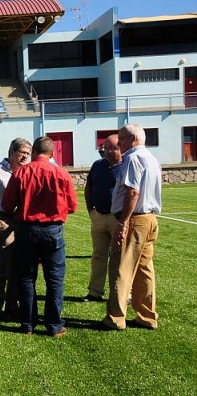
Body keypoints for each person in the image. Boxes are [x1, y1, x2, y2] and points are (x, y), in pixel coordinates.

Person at [2, 137, 77, 337]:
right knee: (54, 279)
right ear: (52, 153)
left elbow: (7, 205)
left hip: (27, 229)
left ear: (33, 151)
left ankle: (28, 323)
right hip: (53, 230)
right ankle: (54, 325)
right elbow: (72, 206)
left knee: (26, 278)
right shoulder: (61, 173)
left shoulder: (20, 173)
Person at [98, 124, 162, 331]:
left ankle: (116, 317)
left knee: (121, 269)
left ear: (133, 138)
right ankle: (147, 315)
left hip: (135, 219)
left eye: (122, 139)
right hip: (150, 218)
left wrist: (123, 222)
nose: (119, 143)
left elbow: (132, 192)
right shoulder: (151, 158)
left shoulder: (133, 158)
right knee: (145, 270)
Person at [0, 138, 31, 324]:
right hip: (3, 220)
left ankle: (13, 307)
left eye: (28, 153)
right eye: (22, 153)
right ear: (11, 152)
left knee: (19, 269)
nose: (25, 156)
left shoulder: (27, 171)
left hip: (23, 223)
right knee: (2, 268)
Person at [83, 135, 122, 302]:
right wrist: (90, 210)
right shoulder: (98, 165)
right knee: (98, 255)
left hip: (117, 217)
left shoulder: (127, 166)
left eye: (112, 148)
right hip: (98, 216)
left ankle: (122, 293)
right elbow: (89, 187)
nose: (107, 151)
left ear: (120, 148)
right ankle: (95, 291)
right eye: (105, 147)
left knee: (119, 257)